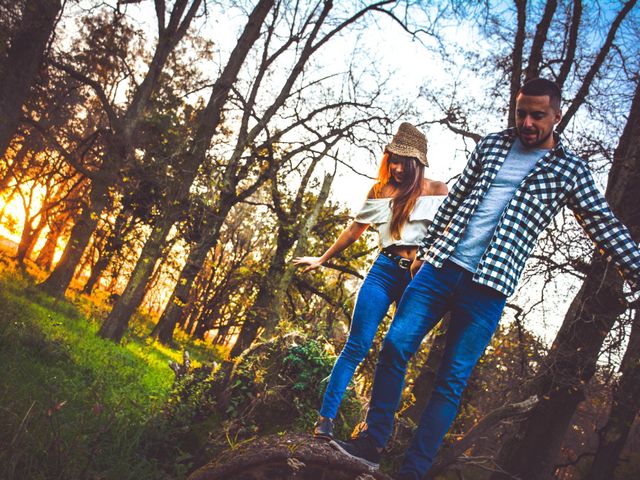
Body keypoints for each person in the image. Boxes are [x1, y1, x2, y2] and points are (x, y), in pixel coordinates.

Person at [330, 78, 640, 479]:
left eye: (537, 115)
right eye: (521, 112)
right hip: (440, 268)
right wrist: (426, 249)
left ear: (556, 116)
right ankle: (372, 443)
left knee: (451, 382)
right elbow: (452, 202)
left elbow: (604, 224)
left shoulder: (569, 170)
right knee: (395, 345)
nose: (527, 122)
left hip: (488, 289)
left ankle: (413, 471)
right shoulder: (492, 144)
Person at [294, 122, 448, 441]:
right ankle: (325, 419)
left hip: (418, 277)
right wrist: (322, 258)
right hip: (383, 270)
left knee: (396, 351)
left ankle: (373, 432)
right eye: (392, 159)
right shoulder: (380, 191)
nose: (396, 167)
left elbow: (449, 233)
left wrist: (431, 263)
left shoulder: (437, 189)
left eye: (403, 162)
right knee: (357, 344)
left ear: (416, 164)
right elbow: (354, 230)